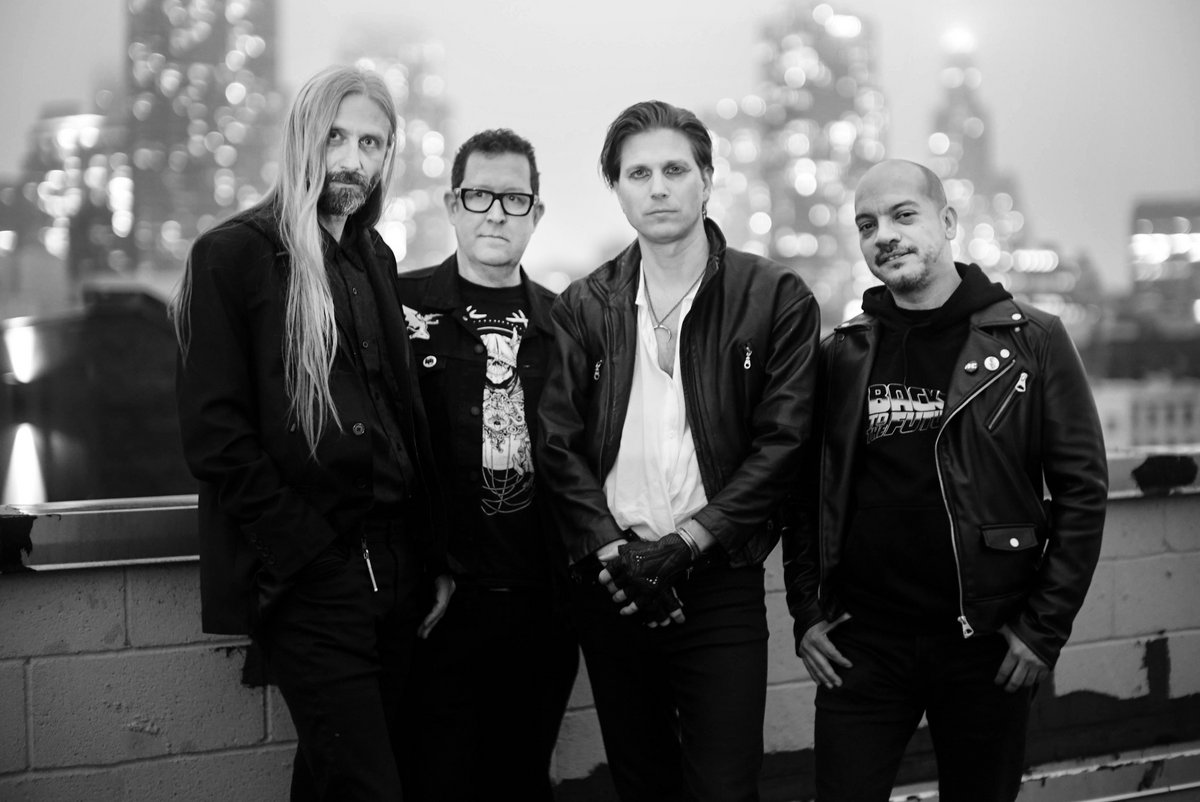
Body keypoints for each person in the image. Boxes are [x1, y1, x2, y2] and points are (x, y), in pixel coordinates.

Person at [785, 159, 1108, 802]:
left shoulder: (1033, 341)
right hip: (863, 645)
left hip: (985, 642)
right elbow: (804, 493)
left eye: (903, 215)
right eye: (868, 225)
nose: (885, 235)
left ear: (949, 221)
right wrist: (808, 612)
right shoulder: (844, 352)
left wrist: (1042, 629)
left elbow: (1082, 492)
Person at [172, 65, 453, 801]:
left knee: (340, 779)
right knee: (366, 786)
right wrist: (310, 557)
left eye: (371, 142)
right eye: (336, 138)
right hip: (318, 574)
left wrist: (431, 555)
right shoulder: (233, 254)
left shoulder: (373, 256)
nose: (352, 160)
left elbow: (398, 415)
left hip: (399, 566)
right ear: (303, 137)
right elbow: (215, 436)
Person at [538, 100, 821, 802]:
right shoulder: (584, 305)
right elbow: (556, 445)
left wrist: (688, 543)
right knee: (642, 785)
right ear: (618, 189)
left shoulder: (774, 296)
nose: (658, 188)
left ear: (707, 180)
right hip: (613, 582)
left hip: (719, 580)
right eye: (638, 174)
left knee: (725, 786)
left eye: (674, 170)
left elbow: (783, 445)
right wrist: (616, 554)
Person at [395, 128, 579, 800]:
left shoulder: (566, 324)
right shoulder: (398, 307)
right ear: (453, 204)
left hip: (542, 607)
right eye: (479, 196)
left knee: (521, 780)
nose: (496, 213)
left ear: (536, 212)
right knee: (431, 779)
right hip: (437, 603)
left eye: (514, 199)